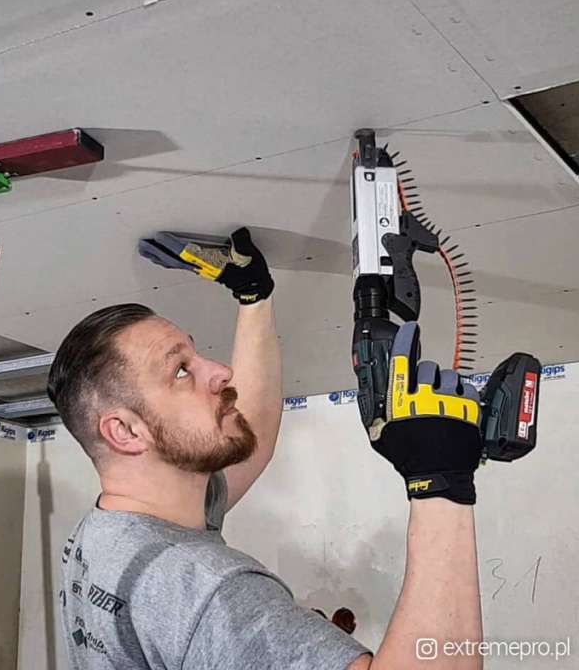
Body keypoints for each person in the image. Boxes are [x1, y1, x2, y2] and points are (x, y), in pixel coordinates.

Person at [48, 228, 484, 669]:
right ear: (124, 431)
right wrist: (441, 481)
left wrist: (254, 297)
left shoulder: (113, 531)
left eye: (195, 356)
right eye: (181, 371)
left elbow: (248, 438)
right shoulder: (209, 593)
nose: (219, 371)